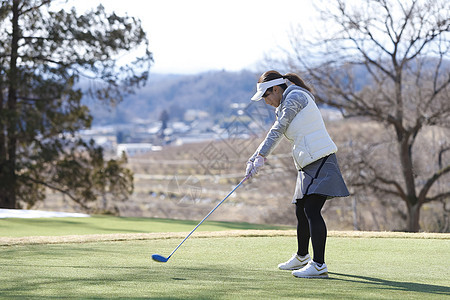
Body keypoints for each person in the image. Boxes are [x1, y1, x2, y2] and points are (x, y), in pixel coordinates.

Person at [245, 70, 349, 278]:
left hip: (321, 158)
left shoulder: (295, 97)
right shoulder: (284, 104)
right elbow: (276, 130)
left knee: (311, 209)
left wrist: (261, 156)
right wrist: (253, 158)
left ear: (276, 89)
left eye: (266, 96)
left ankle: (318, 265)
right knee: (301, 210)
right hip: (307, 162)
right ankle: (302, 256)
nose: (266, 102)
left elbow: (278, 129)